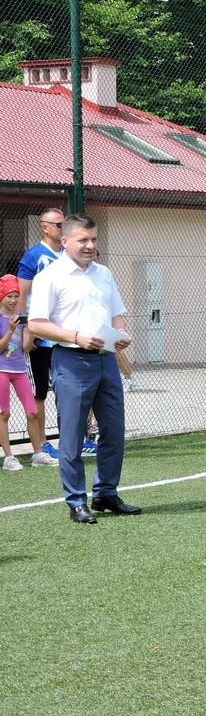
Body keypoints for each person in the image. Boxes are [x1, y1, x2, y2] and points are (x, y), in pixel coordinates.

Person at [27, 213, 140, 524]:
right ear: (65, 241)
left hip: (106, 359)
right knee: (73, 435)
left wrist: (121, 334)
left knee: (113, 432)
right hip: (71, 360)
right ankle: (76, 501)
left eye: (93, 239)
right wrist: (76, 337)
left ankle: (105, 493)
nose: (90, 245)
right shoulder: (50, 277)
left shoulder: (104, 273)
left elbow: (117, 313)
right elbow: (36, 324)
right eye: (83, 240)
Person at [16, 207, 64, 460]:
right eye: (59, 224)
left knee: (69, 390)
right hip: (40, 338)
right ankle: (43, 443)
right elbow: (21, 295)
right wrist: (26, 330)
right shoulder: (34, 256)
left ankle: (73, 439)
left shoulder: (69, 254)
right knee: (40, 393)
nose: (63, 229)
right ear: (45, 227)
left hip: (65, 337)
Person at [0, 275, 58, 470]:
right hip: (2, 370)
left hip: (20, 370)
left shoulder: (22, 318)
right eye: (9, 296)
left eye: (16, 296)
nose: (13, 300)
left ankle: (38, 454)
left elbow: (25, 348)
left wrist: (32, 330)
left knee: (32, 412)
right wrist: (10, 330)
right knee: (3, 413)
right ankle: (9, 457)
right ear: (1, 297)